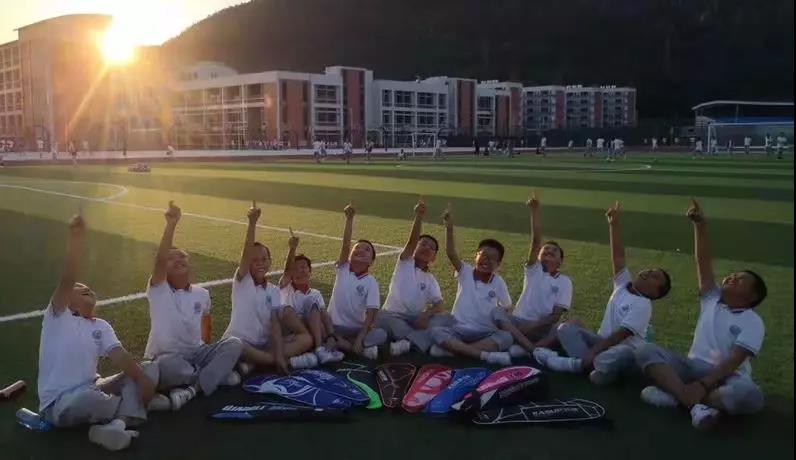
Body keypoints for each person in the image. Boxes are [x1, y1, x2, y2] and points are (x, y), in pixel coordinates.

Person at [635, 199, 767, 430]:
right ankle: (696, 404)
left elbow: (734, 361)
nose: (732, 277)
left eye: (740, 279)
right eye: (733, 275)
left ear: (752, 296)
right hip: (693, 367)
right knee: (644, 350)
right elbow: (702, 261)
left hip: (727, 376)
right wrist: (700, 226)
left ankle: (679, 397)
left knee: (751, 396)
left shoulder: (753, 321)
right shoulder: (711, 298)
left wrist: (704, 384)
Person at [37, 210, 161, 451]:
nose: (86, 288)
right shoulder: (57, 317)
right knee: (89, 399)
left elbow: (120, 357)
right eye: (79, 288)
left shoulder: (100, 326)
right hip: (60, 403)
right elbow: (67, 279)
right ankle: (133, 410)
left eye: (89, 288)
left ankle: (116, 425)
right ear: (66, 297)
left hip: (94, 386)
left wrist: (142, 379)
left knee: (148, 368)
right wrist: (75, 240)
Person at [534, 201, 672, 385]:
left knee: (624, 352)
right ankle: (591, 367)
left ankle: (580, 364)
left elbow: (619, 336)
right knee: (566, 328)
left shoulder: (643, 305)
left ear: (655, 294)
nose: (648, 272)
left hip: (619, 350)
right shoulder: (623, 285)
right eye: (650, 270)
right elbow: (618, 256)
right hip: (601, 342)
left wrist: (593, 351)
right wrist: (613, 224)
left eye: (655, 276)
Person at [144, 201, 243, 411]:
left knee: (234, 344)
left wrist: (206, 348)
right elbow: (160, 260)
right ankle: (214, 376)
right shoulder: (159, 289)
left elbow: (206, 324)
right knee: (169, 368)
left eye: (182, 256)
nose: (178, 260)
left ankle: (193, 389)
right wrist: (171, 225)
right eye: (172, 258)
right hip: (167, 357)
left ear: (190, 262)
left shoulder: (202, 294)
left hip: (197, 354)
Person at [223, 201, 317, 377]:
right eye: (255, 260)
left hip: (263, 345)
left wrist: (279, 353)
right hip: (240, 343)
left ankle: (255, 364)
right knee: (237, 345)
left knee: (306, 339)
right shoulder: (243, 281)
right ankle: (278, 361)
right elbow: (246, 254)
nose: (260, 263)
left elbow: (274, 325)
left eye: (264, 259)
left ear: (270, 261)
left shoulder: (273, 290)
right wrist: (252, 223)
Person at [428, 205, 513, 365]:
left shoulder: (498, 282)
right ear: (476, 256)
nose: (486, 260)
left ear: (498, 264)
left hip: (485, 332)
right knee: (436, 330)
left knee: (507, 337)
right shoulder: (465, 272)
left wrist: (498, 318)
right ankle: (484, 355)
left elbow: (506, 306)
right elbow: (451, 253)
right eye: (483, 255)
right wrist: (449, 227)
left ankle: (454, 351)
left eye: (492, 258)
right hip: (458, 329)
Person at [493, 193, 572, 358]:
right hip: (518, 322)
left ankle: (524, 346)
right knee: (497, 312)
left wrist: (531, 327)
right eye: (546, 249)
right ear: (538, 256)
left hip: (542, 328)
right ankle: (532, 350)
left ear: (560, 261)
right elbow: (536, 242)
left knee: (561, 328)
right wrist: (534, 212)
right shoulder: (533, 270)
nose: (549, 251)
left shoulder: (565, 282)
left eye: (554, 251)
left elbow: (555, 316)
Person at [377, 198, 451, 356]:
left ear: (434, 258)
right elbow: (411, 242)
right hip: (393, 315)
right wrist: (419, 216)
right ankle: (418, 342)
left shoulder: (430, 279)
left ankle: (406, 343)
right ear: (415, 248)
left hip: (415, 319)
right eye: (423, 244)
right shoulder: (405, 263)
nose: (427, 248)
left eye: (431, 248)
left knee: (447, 319)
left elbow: (439, 305)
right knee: (380, 316)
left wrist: (426, 314)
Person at [326, 202, 387, 359]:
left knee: (381, 334)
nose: (360, 250)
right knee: (316, 323)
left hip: (355, 328)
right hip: (332, 326)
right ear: (350, 255)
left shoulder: (371, 281)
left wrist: (361, 336)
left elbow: (371, 313)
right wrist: (349, 219)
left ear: (371, 261)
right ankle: (350, 347)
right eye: (357, 248)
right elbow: (345, 244)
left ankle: (340, 344)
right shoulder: (343, 268)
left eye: (367, 250)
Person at [279, 231, 345, 364]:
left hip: (309, 333)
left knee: (322, 323)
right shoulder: (286, 287)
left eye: (303, 267)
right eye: (295, 269)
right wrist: (292, 249)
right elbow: (287, 272)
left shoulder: (315, 293)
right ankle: (320, 349)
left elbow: (324, 314)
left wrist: (331, 335)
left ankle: (318, 351)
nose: (300, 271)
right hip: (290, 330)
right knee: (314, 310)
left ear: (310, 272)